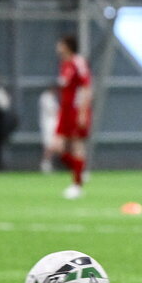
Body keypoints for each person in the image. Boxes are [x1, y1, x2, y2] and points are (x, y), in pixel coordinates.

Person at [53, 35, 92, 199]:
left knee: (77, 146)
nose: (57, 46)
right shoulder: (64, 64)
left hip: (76, 110)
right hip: (65, 111)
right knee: (57, 146)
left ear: (67, 45)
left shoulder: (78, 62)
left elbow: (86, 87)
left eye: (60, 43)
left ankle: (77, 185)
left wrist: (83, 112)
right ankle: (80, 171)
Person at [38, 86, 60, 173]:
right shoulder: (45, 97)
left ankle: (48, 163)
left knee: (53, 145)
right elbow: (52, 111)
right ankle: (45, 164)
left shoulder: (53, 98)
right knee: (48, 145)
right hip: (48, 125)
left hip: (54, 124)